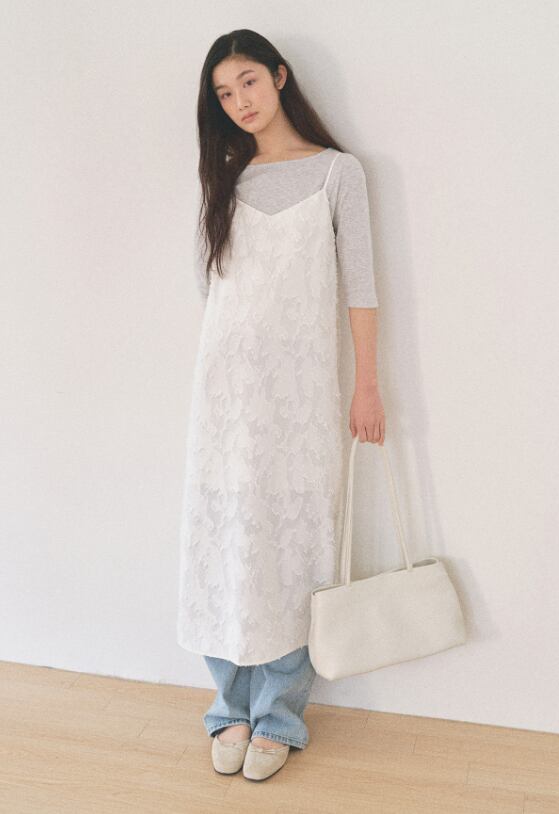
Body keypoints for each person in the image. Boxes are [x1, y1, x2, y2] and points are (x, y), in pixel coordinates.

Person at [177, 28, 385, 781]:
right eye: (224, 94)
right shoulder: (226, 180)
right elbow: (213, 291)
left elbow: (360, 287)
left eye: (248, 83)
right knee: (224, 538)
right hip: (224, 396)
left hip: (300, 399)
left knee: (293, 547)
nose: (239, 102)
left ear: (279, 76)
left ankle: (279, 714)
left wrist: (367, 383)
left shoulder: (337, 173)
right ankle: (227, 707)